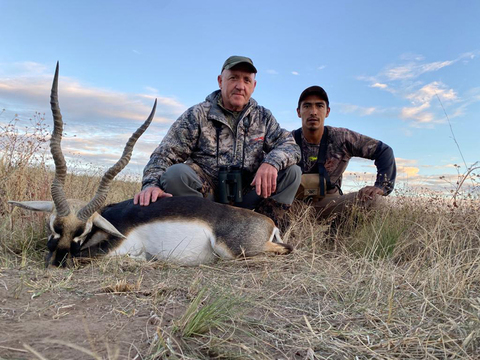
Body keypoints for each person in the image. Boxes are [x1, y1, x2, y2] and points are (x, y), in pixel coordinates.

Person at [134, 56, 301, 228]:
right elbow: (164, 154)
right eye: (233, 78)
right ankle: (204, 231)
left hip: (249, 192)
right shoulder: (197, 114)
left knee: (292, 172)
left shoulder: (263, 117)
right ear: (220, 81)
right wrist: (151, 184)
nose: (240, 86)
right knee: (175, 175)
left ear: (254, 86)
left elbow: (290, 146)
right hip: (207, 197)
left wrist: (271, 163)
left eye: (246, 80)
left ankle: (265, 230)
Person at [294, 85, 396, 218]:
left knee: (375, 200)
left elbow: (384, 151)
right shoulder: (286, 141)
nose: (313, 112)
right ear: (298, 112)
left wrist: (381, 186)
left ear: (327, 111)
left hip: (331, 204)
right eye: (307, 106)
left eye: (319, 106)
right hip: (293, 206)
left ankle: (338, 234)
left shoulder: (342, 137)